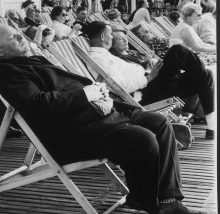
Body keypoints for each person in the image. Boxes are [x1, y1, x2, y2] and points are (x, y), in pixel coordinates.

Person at [0, 25, 208, 214]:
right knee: (143, 139)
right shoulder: (6, 72)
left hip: (100, 116)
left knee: (158, 122)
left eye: (18, 34)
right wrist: (86, 94)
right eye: (13, 37)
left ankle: (168, 199)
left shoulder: (32, 60)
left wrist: (97, 93)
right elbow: (38, 104)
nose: (21, 37)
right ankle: (143, 199)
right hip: (75, 133)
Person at [86, 21, 215, 139]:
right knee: (177, 51)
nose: (113, 38)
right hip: (145, 94)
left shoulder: (105, 55)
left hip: (151, 85)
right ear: (103, 37)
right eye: (111, 35)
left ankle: (212, 128)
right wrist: (149, 77)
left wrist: (148, 68)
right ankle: (199, 74)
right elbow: (121, 86)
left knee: (206, 74)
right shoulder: (99, 59)